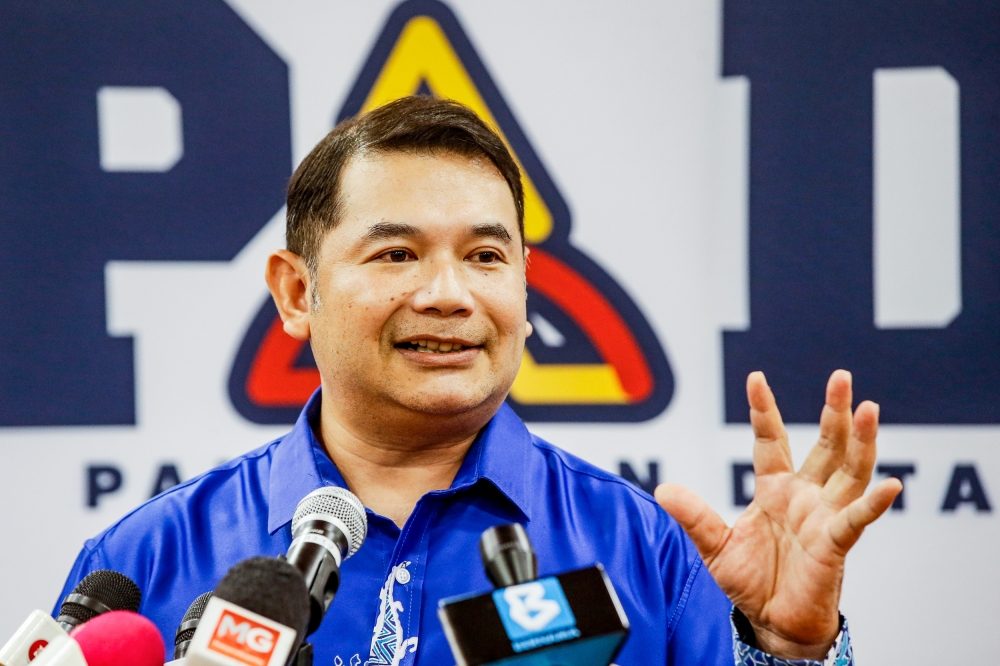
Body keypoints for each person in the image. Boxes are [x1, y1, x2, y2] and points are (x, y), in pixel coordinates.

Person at [57, 96, 901, 665]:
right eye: (396, 253)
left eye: (486, 256)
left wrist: (791, 651)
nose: (450, 295)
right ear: (295, 291)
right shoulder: (143, 563)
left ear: (525, 290)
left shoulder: (650, 556)